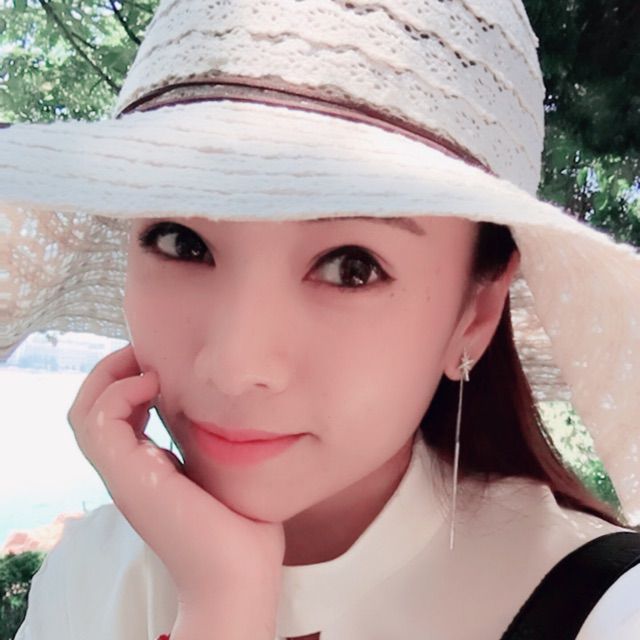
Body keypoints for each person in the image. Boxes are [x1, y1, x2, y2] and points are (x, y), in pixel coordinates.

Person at [1, 0, 639, 639]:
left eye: (351, 268)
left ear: (475, 313)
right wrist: (223, 597)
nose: (236, 366)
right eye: (181, 242)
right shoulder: (88, 579)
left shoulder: (605, 610)